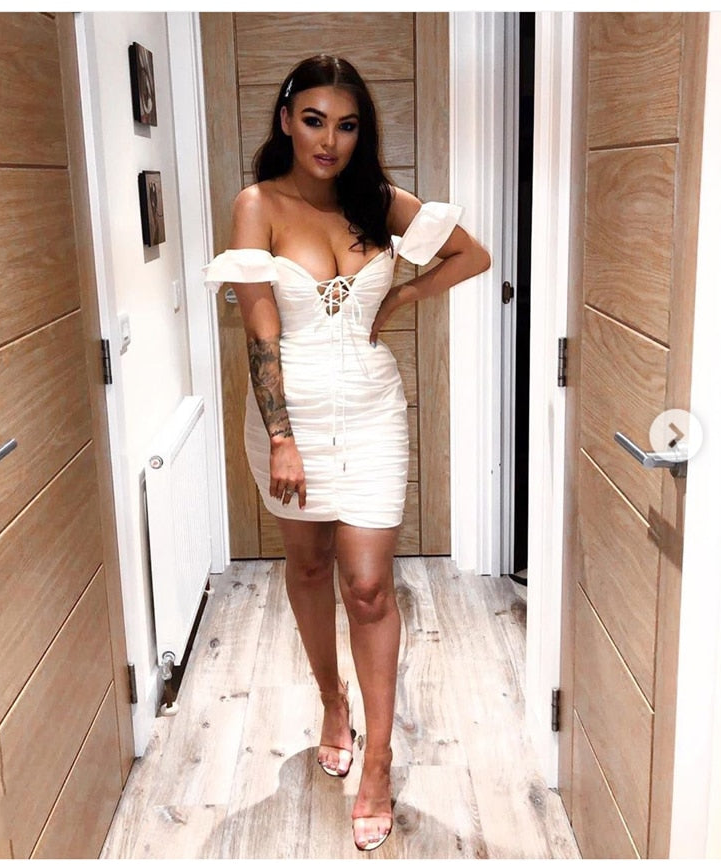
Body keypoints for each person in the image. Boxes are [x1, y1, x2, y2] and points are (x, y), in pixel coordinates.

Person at [204, 54, 490, 852]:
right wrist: (281, 438)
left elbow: (471, 255)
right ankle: (333, 701)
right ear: (286, 120)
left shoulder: (381, 202)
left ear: (362, 132)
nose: (329, 140)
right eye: (314, 120)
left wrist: (404, 293)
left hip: (371, 412)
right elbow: (260, 332)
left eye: (347, 124)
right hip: (289, 416)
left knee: (368, 587)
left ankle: (379, 760)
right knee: (307, 567)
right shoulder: (258, 205)